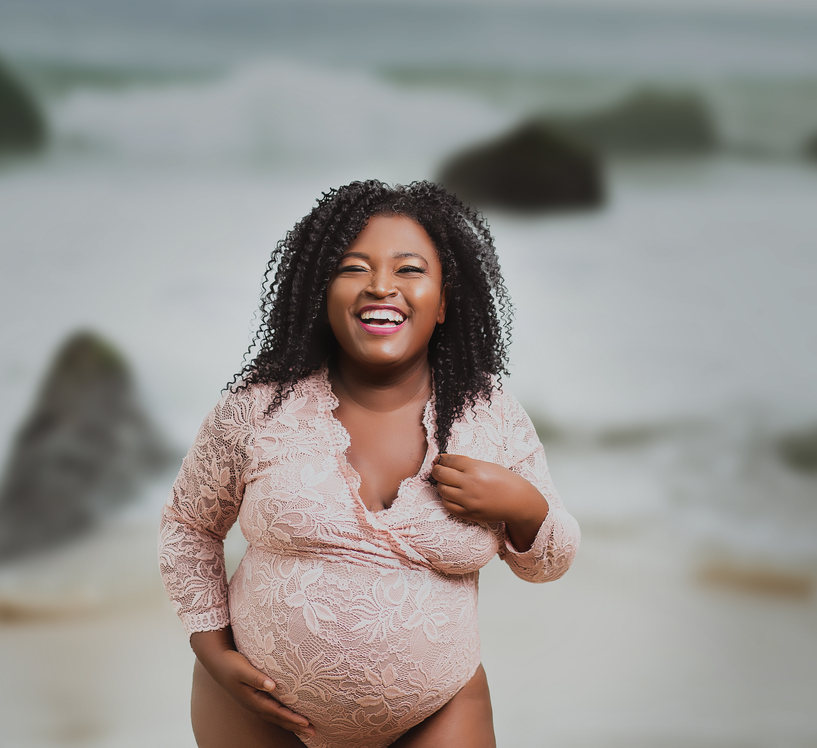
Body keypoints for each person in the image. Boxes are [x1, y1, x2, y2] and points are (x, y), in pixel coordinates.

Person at [159, 180, 579, 748]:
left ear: (446, 300)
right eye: (354, 268)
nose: (382, 286)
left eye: (409, 270)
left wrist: (523, 507)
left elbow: (548, 563)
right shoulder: (259, 407)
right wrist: (211, 651)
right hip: (253, 708)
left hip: (439, 709)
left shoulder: (490, 415)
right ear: (320, 291)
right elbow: (189, 528)